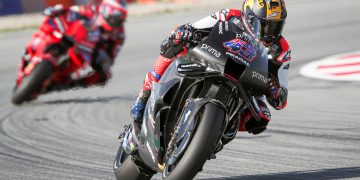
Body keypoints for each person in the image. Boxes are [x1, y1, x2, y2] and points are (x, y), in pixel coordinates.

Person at [130, 0, 291, 135]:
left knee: (262, 116)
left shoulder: (282, 50)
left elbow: (281, 100)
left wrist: (275, 88)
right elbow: (193, 27)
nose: (269, 32)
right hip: (214, 59)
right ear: (249, 14)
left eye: (275, 26)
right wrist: (185, 32)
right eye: (265, 25)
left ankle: (221, 129)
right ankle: (144, 94)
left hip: (248, 83)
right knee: (175, 43)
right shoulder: (229, 15)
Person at [22, 0, 127, 92]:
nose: (116, 22)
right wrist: (57, 11)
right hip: (70, 34)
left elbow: (112, 54)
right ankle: (32, 48)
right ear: (106, 11)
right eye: (115, 18)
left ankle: (70, 83)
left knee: (104, 76)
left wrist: (104, 63)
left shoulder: (119, 34)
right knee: (50, 22)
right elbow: (71, 11)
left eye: (120, 20)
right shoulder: (92, 10)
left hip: (87, 51)